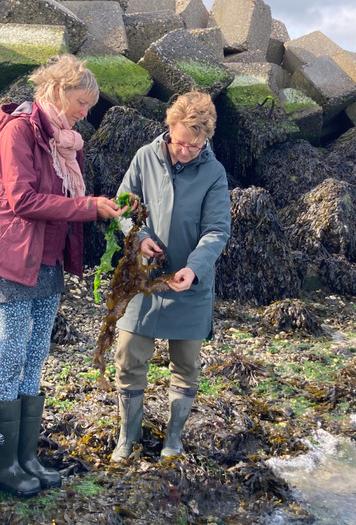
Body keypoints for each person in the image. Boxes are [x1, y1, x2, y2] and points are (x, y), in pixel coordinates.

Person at [0, 54, 127, 496]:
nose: (85, 113)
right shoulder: (18, 132)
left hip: (48, 260)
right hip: (11, 257)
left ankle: (26, 457)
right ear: (56, 90)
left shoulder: (65, 141)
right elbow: (23, 201)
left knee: (36, 354)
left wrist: (96, 210)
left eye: (89, 106)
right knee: (12, 354)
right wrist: (88, 207)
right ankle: (2, 466)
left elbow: (61, 201)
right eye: (81, 102)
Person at [111, 91, 231, 462]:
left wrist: (194, 269)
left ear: (206, 138)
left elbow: (216, 230)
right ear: (169, 127)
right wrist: (139, 237)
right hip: (144, 279)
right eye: (179, 142)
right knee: (128, 356)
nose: (184, 151)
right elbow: (123, 206)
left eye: (194, 146)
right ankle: (127, 438)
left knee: (187, 364)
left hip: (190, 283)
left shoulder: (214, 172)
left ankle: (173, 439)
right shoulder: (145, 157)